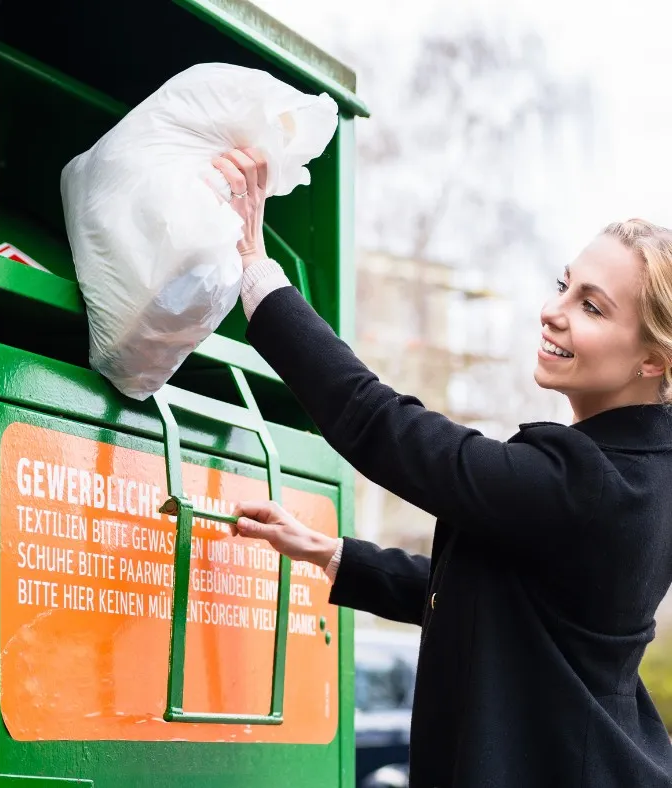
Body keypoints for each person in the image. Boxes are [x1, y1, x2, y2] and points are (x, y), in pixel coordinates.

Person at [211, 148, 672, 787]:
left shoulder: (591, 481)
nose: (553, 310)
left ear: (653, 359)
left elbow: (386, 430)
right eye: (563, 283)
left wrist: (257, 277)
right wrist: (331, 552)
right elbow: (502, 601)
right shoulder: (642, 476)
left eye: (592, 307)